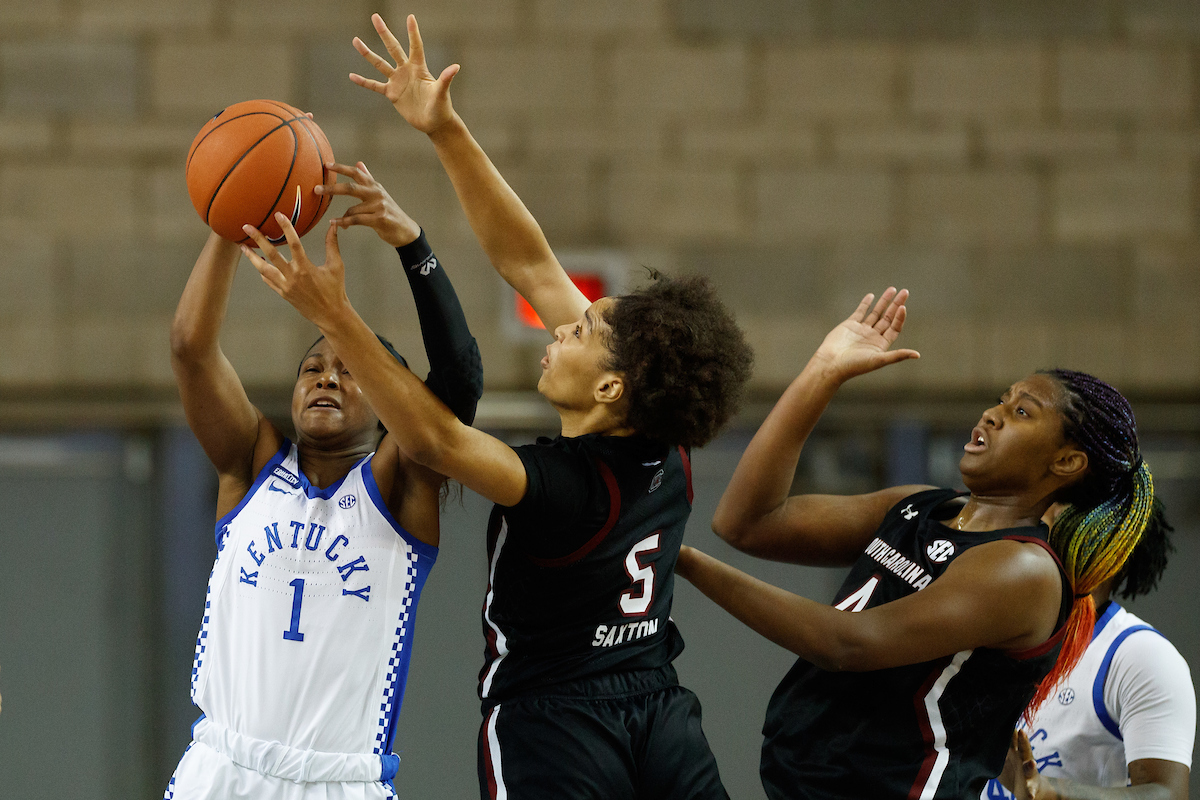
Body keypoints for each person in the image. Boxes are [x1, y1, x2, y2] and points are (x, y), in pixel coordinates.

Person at [239, 13, 754, 799]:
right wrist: (444, 130)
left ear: (612, 387)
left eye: (580, 330)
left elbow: (437, 439)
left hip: (553, 721)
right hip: (659, 711)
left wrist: (333, 314)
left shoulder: (564, 485)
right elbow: (527, 259)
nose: (560, 326)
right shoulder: (666, 442)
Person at [672, 289, 1170, 799]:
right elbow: (747, 523)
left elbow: (849, 643)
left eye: (1022, 413)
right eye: (1002, 399)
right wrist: (823, 373)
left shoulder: (1023, 568)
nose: (993, 414)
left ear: (1065, 463)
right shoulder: (920, 505)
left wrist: (684, 562)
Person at [165, 159, 482, 800]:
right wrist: (232, 215)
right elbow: (190, 349)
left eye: (349, 369)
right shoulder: (251, 462)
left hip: (340, 781)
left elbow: (458, 384)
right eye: (312, 367)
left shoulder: (401, 480)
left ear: (392, 401)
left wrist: (410, 246)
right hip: (224, 769)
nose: (326, 377)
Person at [983, 510, 1194, 800]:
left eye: (1052, 518)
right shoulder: (995, 635)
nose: (1035, 527)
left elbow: (1168, 794)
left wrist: (1051, 791)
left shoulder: (1139, 655)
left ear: (1103, 546)